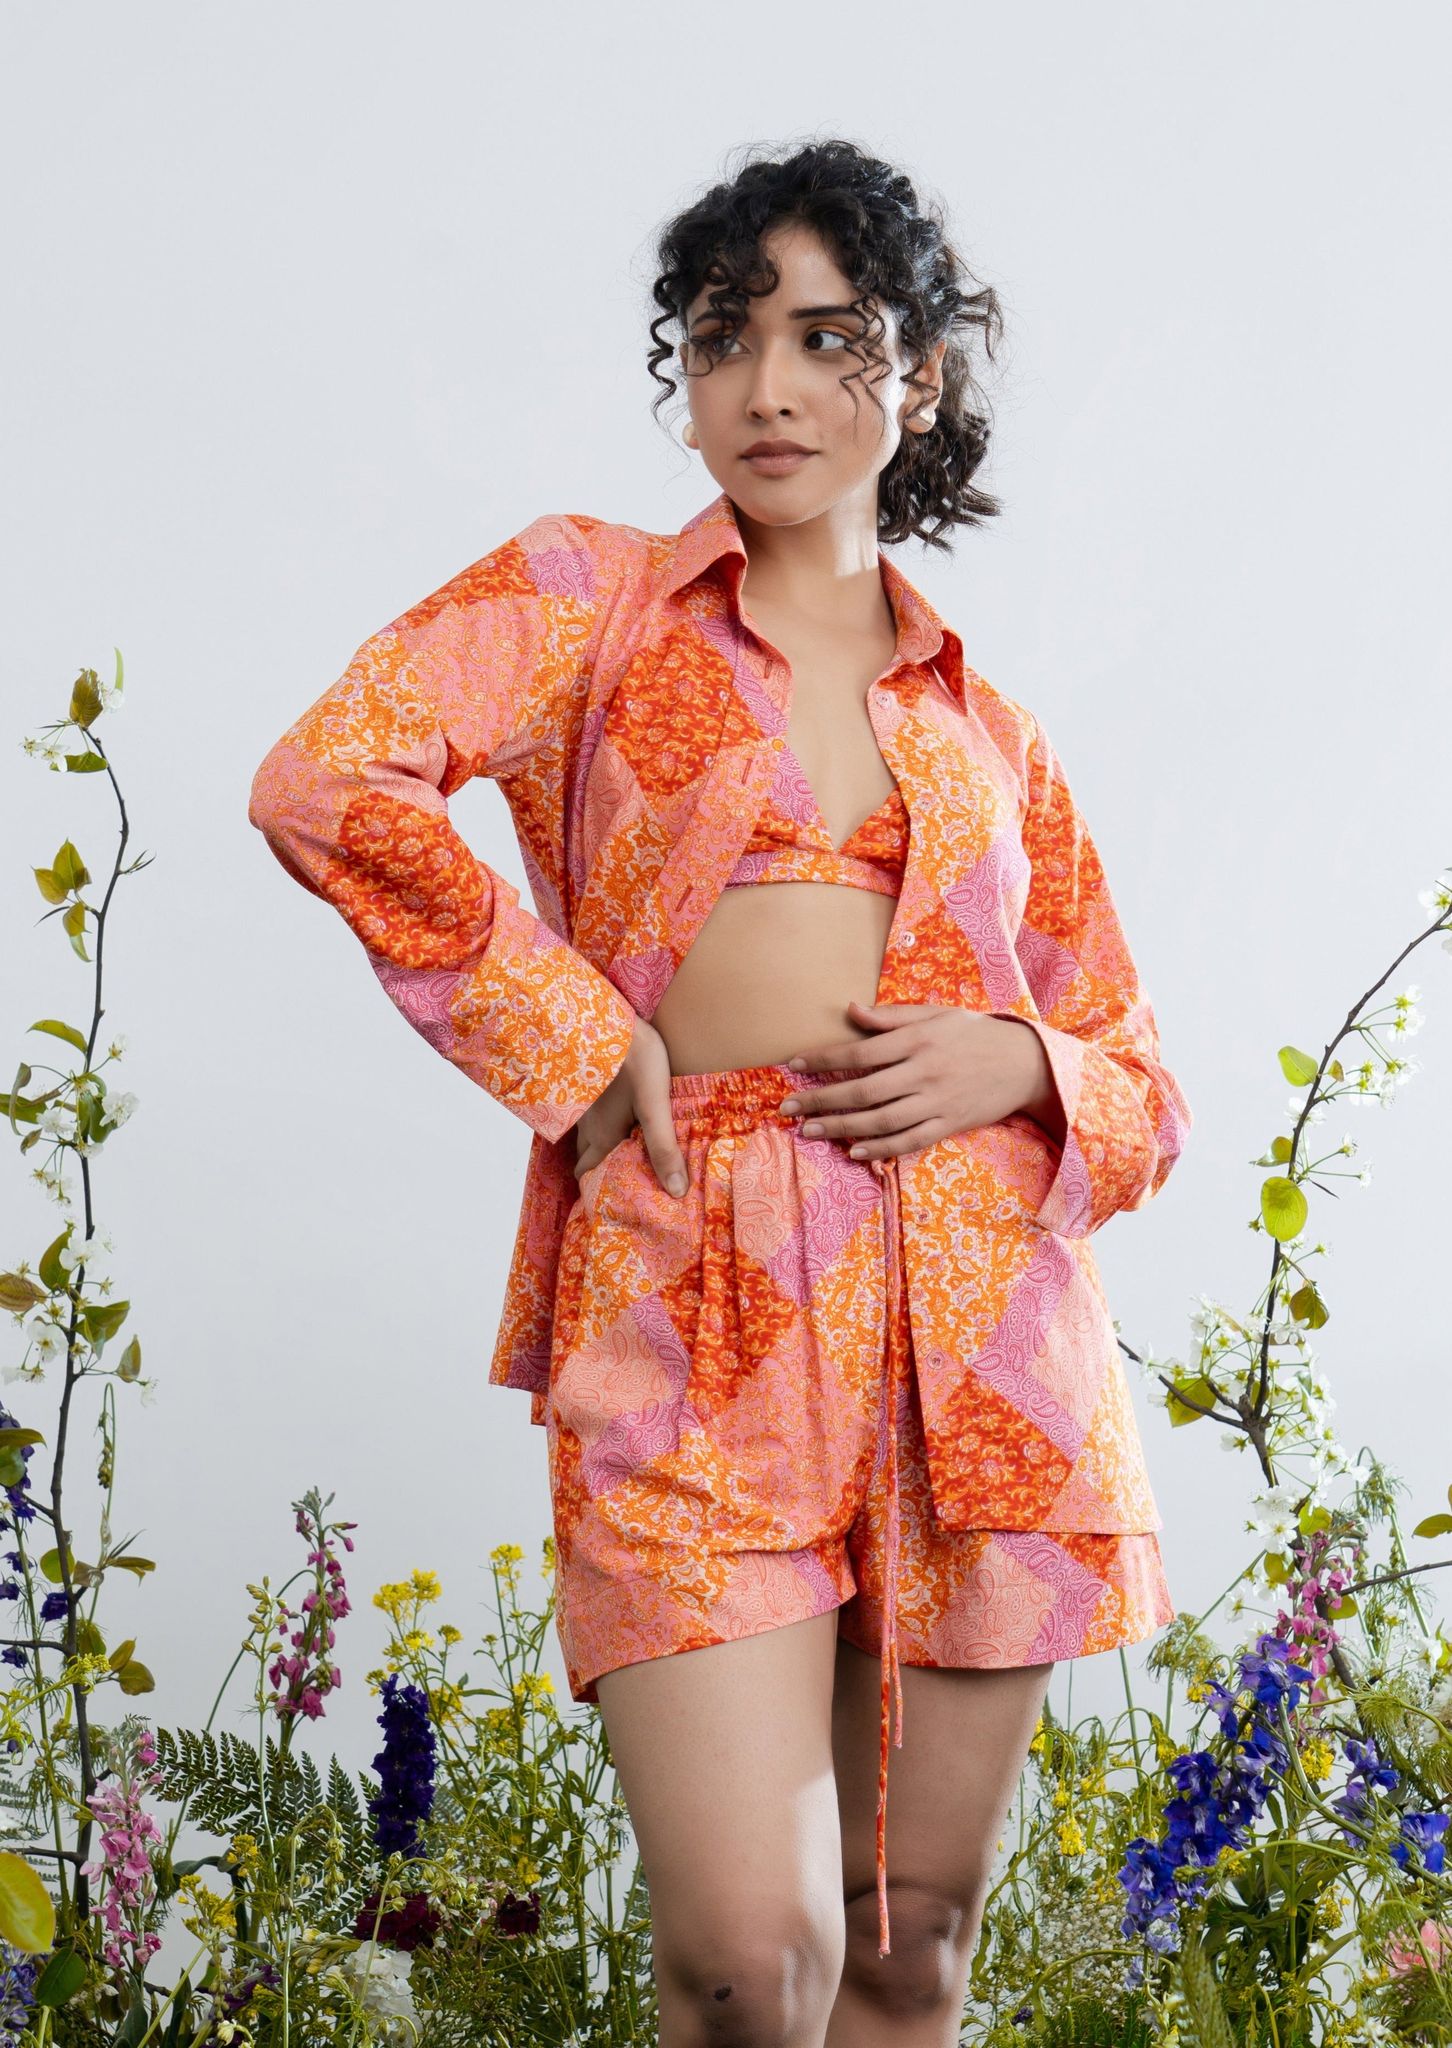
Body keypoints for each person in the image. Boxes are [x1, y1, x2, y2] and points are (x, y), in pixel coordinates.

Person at [248, 137, 1192, 2048]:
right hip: (696, 1295)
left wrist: (1023, 1058)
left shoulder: (993, 732)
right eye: (720, 338)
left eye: (829, 339)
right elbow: (326, 783)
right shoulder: (587, 600)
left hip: (984, 1337)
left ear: (919, 376)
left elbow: (1143, 1089)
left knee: (909, 1947)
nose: (767, 386)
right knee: (751, 1959)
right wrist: (574, 1034)